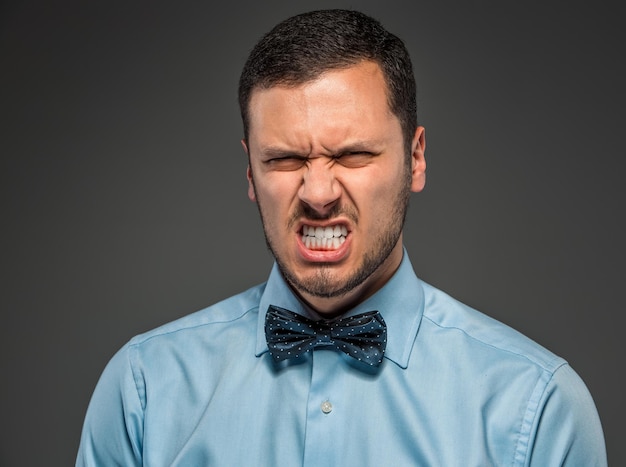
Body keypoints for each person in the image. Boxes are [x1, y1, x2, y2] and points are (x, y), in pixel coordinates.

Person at [76, 9, 607, 466]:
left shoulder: (538, 409)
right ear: (249, 174)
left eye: (353, 155)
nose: (319, 192)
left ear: (416, 158)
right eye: (285, 160)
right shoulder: (142, 390)